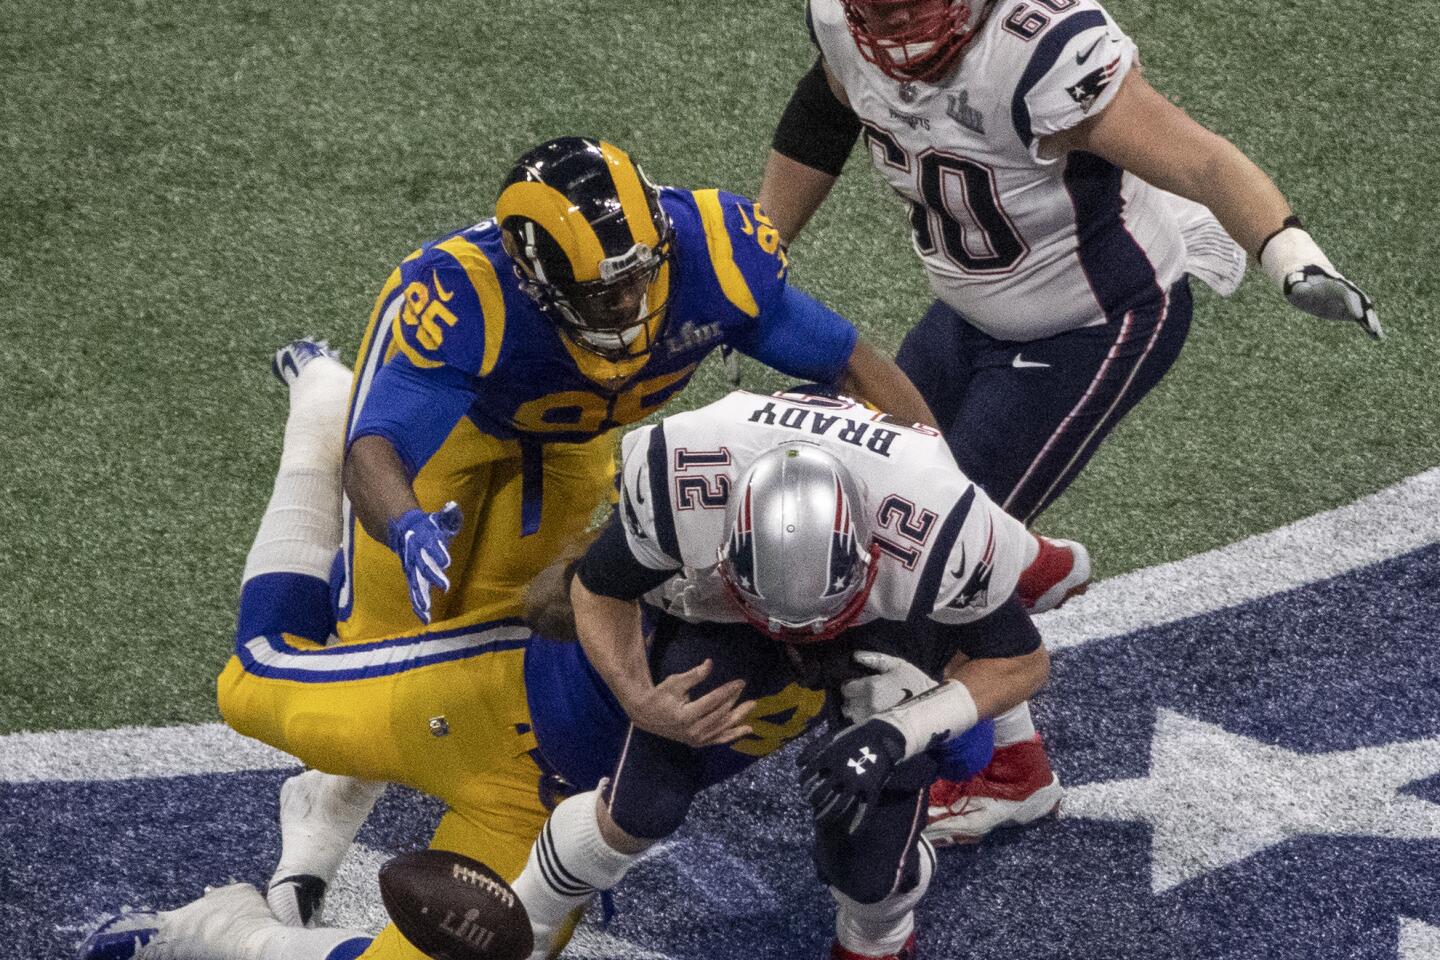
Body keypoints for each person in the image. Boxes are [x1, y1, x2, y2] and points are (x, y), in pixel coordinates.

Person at [77, 349, 990, 960]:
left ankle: (220, 927)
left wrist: (921, 728)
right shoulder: (684, 532)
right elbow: (559, 599)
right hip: (482, 707)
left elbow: (996, 664)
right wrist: (636, 681)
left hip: (551, 807)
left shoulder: (908, 591)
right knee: (250, 685)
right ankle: (322, 416)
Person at [755, 0, 1382, 846]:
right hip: (971, 311)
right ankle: (1022, 648)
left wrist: (1290, 255)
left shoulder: (1041, 47)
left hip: (1096, 322)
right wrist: (759, 249)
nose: (896, 25)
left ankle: (951, 808)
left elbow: (1198, 160)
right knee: (872, 504)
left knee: (917, 561)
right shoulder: (840, 17)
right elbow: (830, 103)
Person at [509, 388, 1051, 960]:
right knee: (643, 803)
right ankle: (526, 921)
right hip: (735, 603)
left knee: (866, 862)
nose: (798, 640)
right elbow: (599, 587)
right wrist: (640, 700)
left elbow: (1023, 662)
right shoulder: (685, 479)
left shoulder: (941, 530)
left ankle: (877, 937)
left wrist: (899, 732)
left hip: (876, 618)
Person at [337, 134, 934, 643]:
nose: (630, 302)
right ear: (535, 285)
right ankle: (319, 407)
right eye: (601, 294)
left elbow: (849, 363)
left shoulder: (717, 259)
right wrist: (403, 523)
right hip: (459, 428)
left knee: (515, 614)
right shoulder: (474, 300)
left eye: (640, 276)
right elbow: (376, 449)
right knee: (385, 625)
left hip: (568, 437)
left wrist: (935, 466)